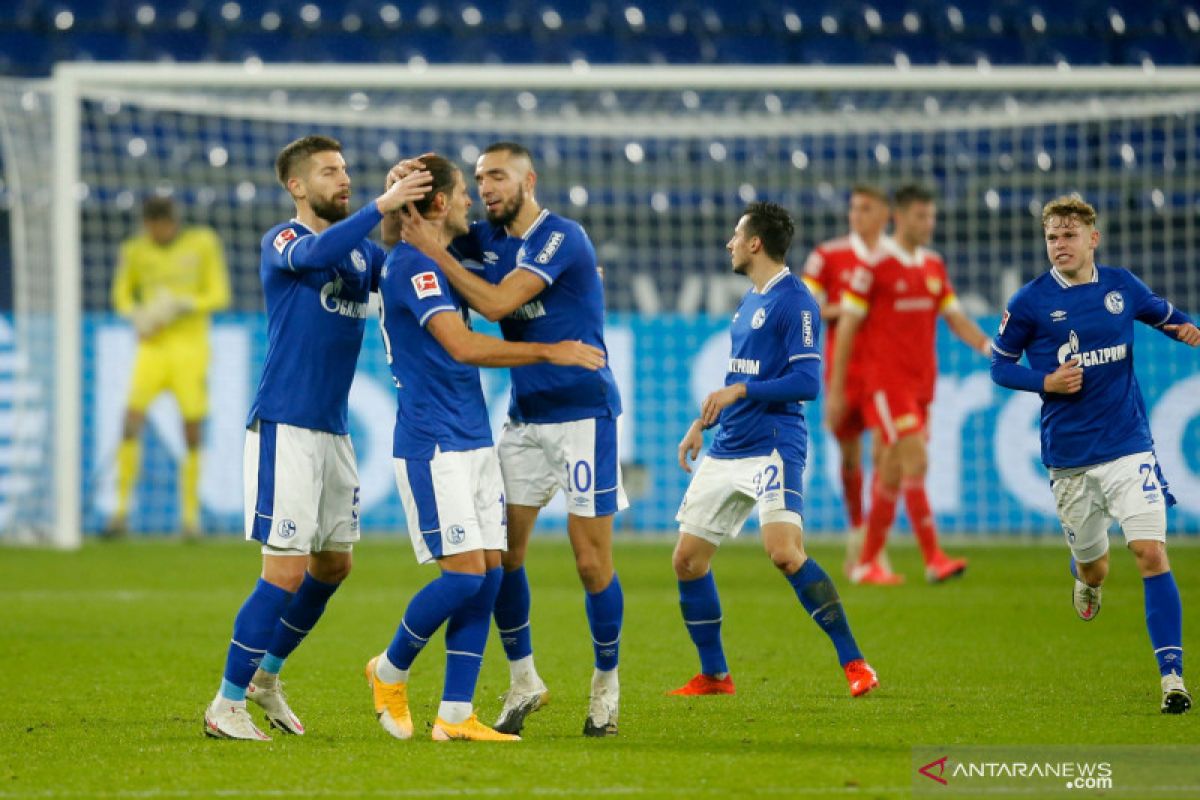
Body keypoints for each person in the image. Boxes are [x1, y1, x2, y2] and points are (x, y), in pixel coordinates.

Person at [365, 155, 606, 743]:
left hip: (473, 439)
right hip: (435, 443)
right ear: (441, 205)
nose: (475, 201)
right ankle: (388, 669)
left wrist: (402, 194)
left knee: (492, 573)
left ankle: (455, 715)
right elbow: (466, 346)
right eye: (463, 194)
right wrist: (551, 351)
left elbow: (466, 248)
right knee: (464, 577)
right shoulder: (414, 269)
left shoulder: (442, 260)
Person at [202, 135, 433, 740]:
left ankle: (266, 677)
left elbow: (402, 265)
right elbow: (317, 253)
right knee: (283, 572)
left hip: (333, 431)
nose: (344, 179)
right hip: (286, 426)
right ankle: (225, 704)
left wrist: (410, 206)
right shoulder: (284, 241)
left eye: (347, 171)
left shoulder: (359, 255)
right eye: (330, 172)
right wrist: (381, 206)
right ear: (297, 186)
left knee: (333, 564)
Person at [991, 195, 1195, 714]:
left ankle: (1172, 677)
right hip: (1070, 457)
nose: (1059, 245)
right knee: (1097, 568)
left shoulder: (1122, 287)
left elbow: (1167, 316)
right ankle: (1084, 579)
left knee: (1150, 552)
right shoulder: (1031, 302)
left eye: (1068, 235)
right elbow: (1000, 367)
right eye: (1052, 237)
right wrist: (1046, 382)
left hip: (1129, 445)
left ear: (1092, 239)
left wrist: (1189, 329)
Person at [668, 202, 878, 699]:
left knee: (784, 553)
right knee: (687, 561)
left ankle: (855, 663)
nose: (730, 244)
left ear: (755, 243)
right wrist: (702, 422)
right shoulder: (749, 300)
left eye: (736, 236)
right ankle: (716, 676)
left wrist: (739, 393)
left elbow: (806, 381)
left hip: (773, 445)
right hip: (729, 443)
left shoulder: (796, 301)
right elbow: (740, 374)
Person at [828, 184, 991, 585]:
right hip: (885, 385)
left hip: (922, 387)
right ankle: (933, 557)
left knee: (892, 470)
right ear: (899, 218)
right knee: (915, 460)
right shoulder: (875, 266)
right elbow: (847, 326)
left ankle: (866, 564)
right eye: (920, 216)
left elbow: (954, 318)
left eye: (931, 216)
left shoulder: (934, 265)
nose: (928, 223)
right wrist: (835, 389)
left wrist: (990, 347)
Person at [106, 196, 231, 540]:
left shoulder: (203, 243)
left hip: (191, 350)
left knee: (191, 428)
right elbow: (121, 296)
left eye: (164, 225)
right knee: (131, 421)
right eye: (152, 226)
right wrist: (138, 315)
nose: (159, 231)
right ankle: (119, 513)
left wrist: (184, 304)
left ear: (174, 222)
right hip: (152, 349)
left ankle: (190, 520)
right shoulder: (134, 250)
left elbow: (219, 294)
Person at [801, 185, 892, 575]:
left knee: (884, 456)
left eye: (865, 209)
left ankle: (873, 546)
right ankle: (857, 531)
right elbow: (804, 306)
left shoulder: (896, 258)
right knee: (851, 457)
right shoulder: (828, 256)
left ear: (884, 215)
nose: (856, 215)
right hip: (843, 371)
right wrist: (848, 309)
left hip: (887, 374)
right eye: (853, 208)